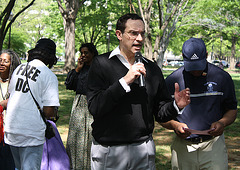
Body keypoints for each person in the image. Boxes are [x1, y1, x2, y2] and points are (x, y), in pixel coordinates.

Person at [87, 13, 190, 170]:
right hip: (109, 150)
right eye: (133, 33)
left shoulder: (152, 69)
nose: (140, 38)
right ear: (119, 34)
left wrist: (176, 106)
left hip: (143, 149)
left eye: (142, 33)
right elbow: (95, 107)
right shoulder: (101, 64)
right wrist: (125, 81)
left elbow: (160, 113)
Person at [161, 37, 237, 170]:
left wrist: (222, 123)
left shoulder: (222, 77)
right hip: (183, 147)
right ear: (183, 56)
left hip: (213, 146)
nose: (195, 71)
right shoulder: (172, 81)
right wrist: (175, 125)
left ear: (206, 55)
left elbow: (231, 110)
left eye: (199, 65)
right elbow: (161, 116)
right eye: (191, 66)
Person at [0, 38, 60, 170]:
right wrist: (55, 112)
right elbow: (49, 112)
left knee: (17, 167)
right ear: (51, 56)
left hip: (11, 129)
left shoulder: (18, 69)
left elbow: (13, 96)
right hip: (30, 133)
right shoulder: (49, 75)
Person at [65, 43, 98, 170]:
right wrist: (77, 69)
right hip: (79, 105)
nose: (83, 55)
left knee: (90, 135)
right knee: (76, 136)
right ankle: (76, 165)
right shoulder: (81, 69)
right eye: (81, 53)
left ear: (93, 53)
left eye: (86, 53)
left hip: (92, 103)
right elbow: (69, 85)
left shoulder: (98, 68)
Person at [0, 49, 21, 170]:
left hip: (10, 130)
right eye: (0, 60)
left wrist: (5, 103)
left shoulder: (17, 83)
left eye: (5, 61)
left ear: (12, 64)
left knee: (9, 163)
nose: (1, 63)